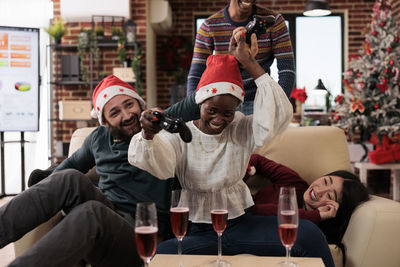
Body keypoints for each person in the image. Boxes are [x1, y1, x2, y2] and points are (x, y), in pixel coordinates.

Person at [128, 29, 335, 267]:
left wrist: (250, 62)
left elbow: (277, 116)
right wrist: (147, 134)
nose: (218, 119)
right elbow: (160, 167)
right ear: (200, 103)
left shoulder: (242, 127)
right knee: (160, 255)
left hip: (242, 223)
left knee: (309, 235)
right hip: (197, 230)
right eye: (211, 110)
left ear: (237, 108)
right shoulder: (179, 135)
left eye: (227, 112)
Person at [0, 75, 194, 267]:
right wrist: (45, 180)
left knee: (91, 213)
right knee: (69, 179)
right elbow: (64, 171)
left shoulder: (160, 125)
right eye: (115, 112)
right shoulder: (98, 139)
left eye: (129, 104)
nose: (127, 115)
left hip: (142, 231)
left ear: (141, 104)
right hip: (108, 210)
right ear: (105, 122)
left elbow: (197, 100)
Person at [244, 153, 370, 265]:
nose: (319, 191)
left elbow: (255, 212)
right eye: (325, 181)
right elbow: (256, 160)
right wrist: (239, 177)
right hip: (234, 213)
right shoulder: (296, 184)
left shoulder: (313, 230)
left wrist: (316, 216)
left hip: (245, 227)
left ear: (333, 208)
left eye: (330, 196)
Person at [186, 0, 295, 115]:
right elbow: (196, 74)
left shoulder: (274, 21)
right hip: (224, 103)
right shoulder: (209, 26)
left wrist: (278, 105)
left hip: (260, 101)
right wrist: (193, 111)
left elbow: (287, 70)